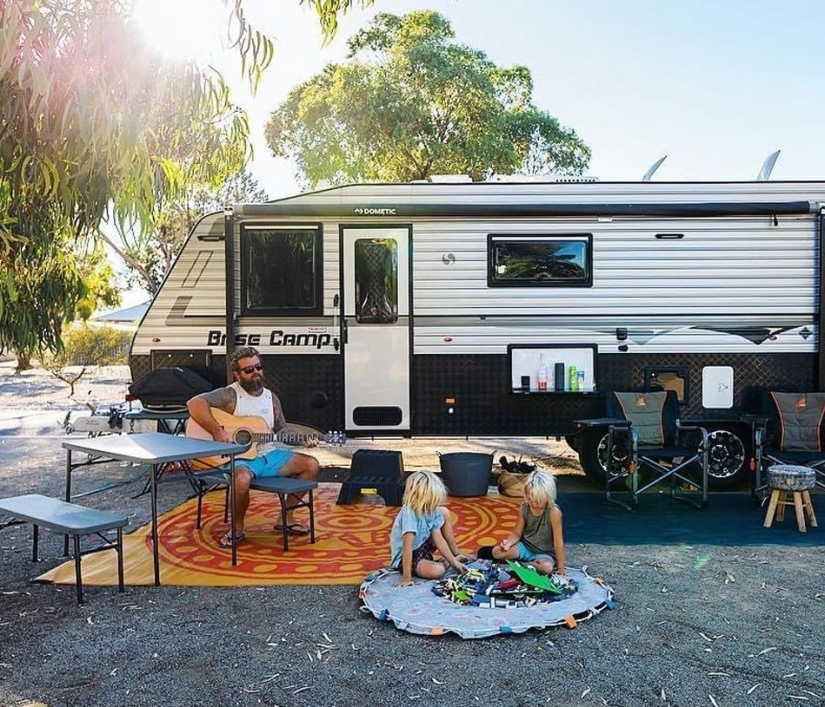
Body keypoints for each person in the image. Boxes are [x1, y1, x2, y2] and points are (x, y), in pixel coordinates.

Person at [187, 346, 319, 548]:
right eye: (248, 370)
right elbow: (194, 403)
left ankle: (286, 517)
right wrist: (217, 431)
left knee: (311, 465)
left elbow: (281, 430)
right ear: (237, 374)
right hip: (239, 458)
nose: (255, 372)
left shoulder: (271, 398)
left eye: (258, 367)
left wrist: (303, 440)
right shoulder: (229, 395)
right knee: (241, 479)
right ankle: (237, 529)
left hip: (268, 455)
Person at [389, 470, 473, 587]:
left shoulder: (432, 510)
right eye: (432, 502)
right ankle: (443, 563)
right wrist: (407, 578)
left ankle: (453, 557)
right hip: (406, 557)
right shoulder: (409, 513)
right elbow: (407, 547)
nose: (434, 506)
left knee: (443, 512)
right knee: (438, 571)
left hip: (422, 548)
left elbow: (438, 538)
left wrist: (453, 562)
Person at [492, 469, 566, 575]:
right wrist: (508, 543)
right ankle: (530, 564)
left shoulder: (554, 512)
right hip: (525, 547)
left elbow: (558, 541)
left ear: (548, 497)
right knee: (496, 552)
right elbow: (516, 533)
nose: (534, 503)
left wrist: (560, 567)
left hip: (544, 553)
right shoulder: (524, 508)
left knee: (546, 568)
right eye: (530, 499)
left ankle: (527, 564)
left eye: (538, 500)